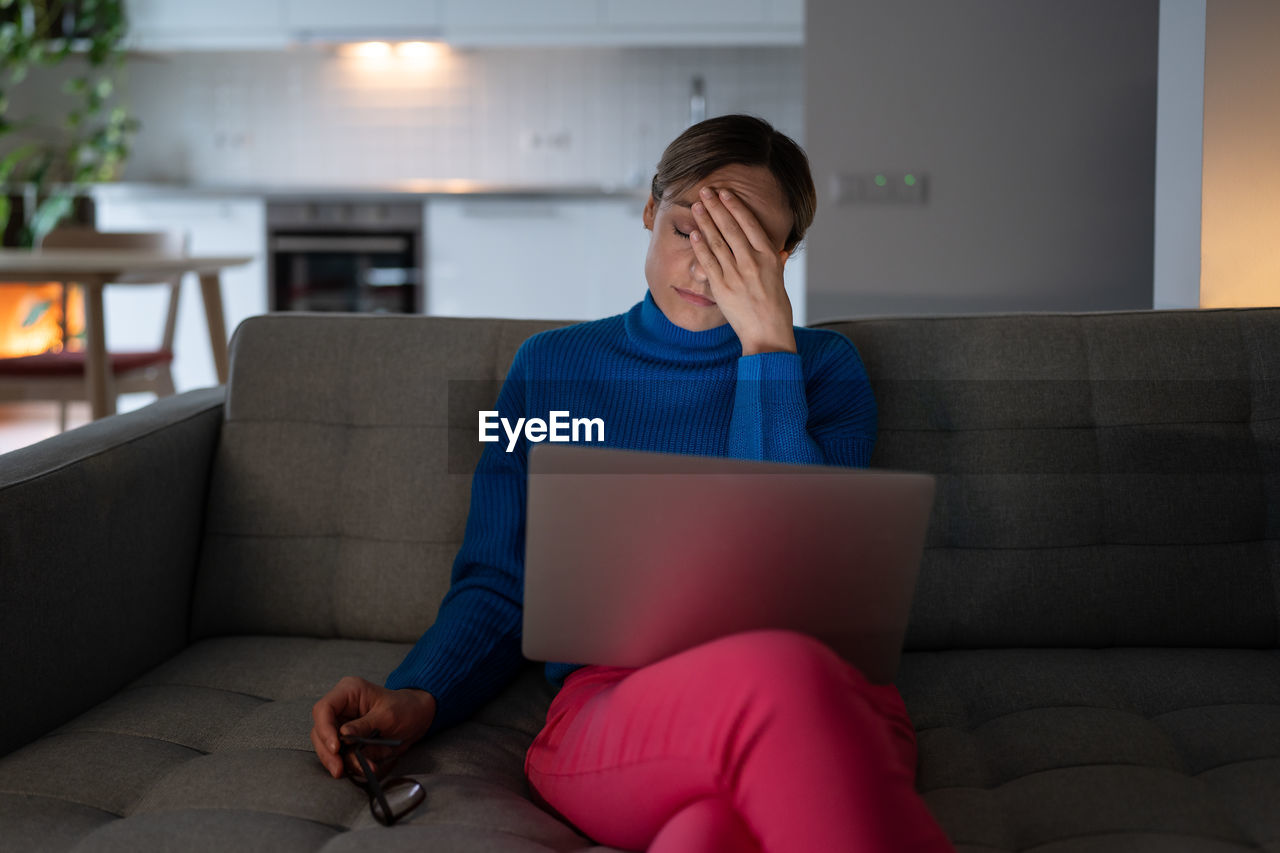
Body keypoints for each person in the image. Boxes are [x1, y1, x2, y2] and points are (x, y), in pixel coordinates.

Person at [310, 114, 955, 852]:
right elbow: (499, 579)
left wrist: (768, 346)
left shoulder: (828, 368)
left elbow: (799, 582)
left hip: (828, 699)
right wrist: (420, 692)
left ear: (784, 255)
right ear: (651, 212)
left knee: (709, 832)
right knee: (779, 680)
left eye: (744, 247)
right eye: (691, 230)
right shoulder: (546, 368)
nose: (709, 268)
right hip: (618, 703)